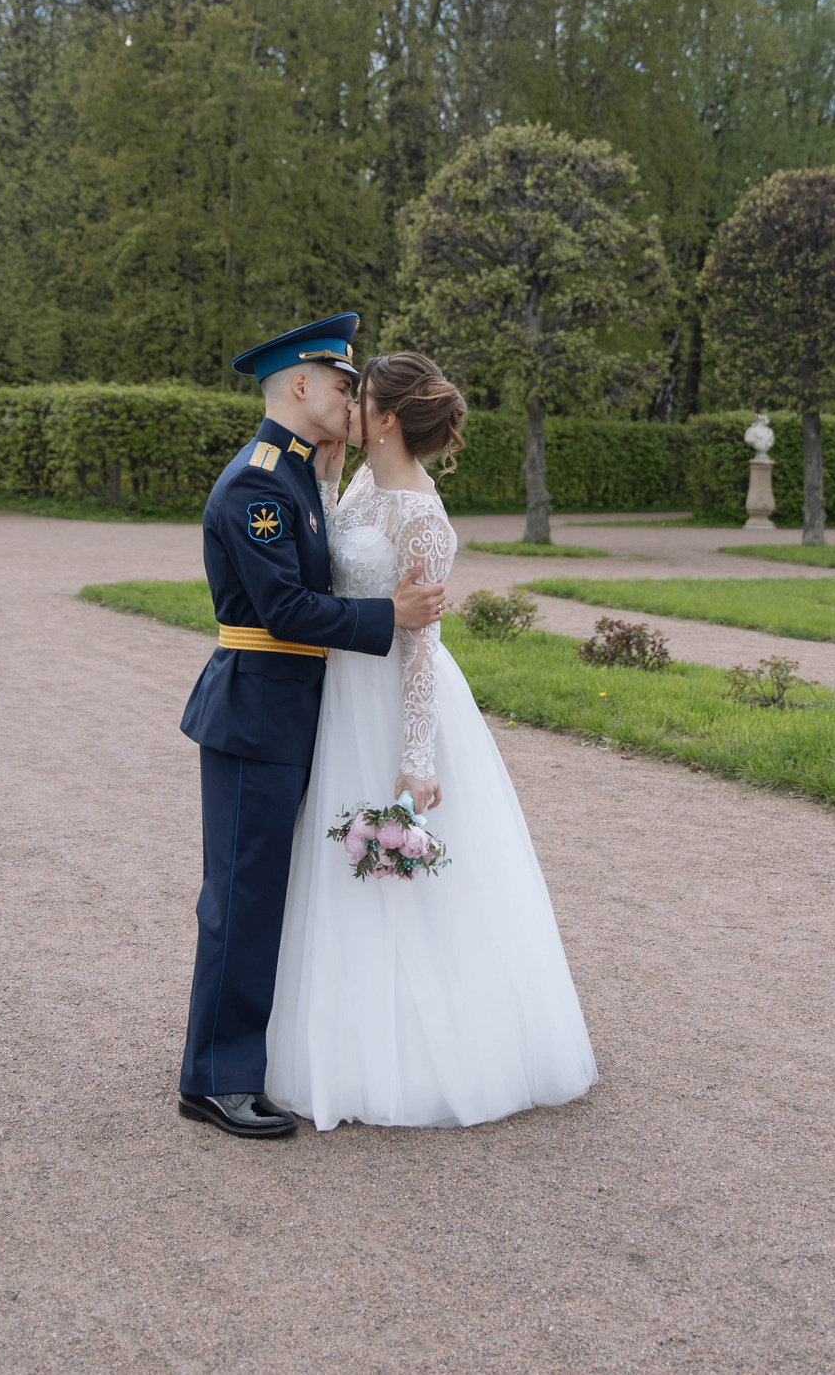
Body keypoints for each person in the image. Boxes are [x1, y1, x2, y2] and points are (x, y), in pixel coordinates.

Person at [265, 350, 598, 1131]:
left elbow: (423, 646)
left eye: (360, 397)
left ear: (385, 417)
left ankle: (419, 1053)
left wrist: (417, 758)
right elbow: (330, 566)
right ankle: (333, 1033)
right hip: (340, 693)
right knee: (331, 866)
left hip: (388, 699)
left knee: (395, 882)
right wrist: (324, 476)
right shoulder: (354, 482)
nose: (347, 405)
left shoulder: (422, 515)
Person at [175, 315, 448, 1141]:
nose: (349, 398)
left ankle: (233, 1065)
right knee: (241, 898)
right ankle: (215, 1080)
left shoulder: (301, 474)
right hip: (258, 711)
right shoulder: (258, 484)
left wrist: (330, 486)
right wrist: (389, 613)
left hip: (289, 710)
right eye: (340, 383)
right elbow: (286, 609)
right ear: (300, 385)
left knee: (265, 894)